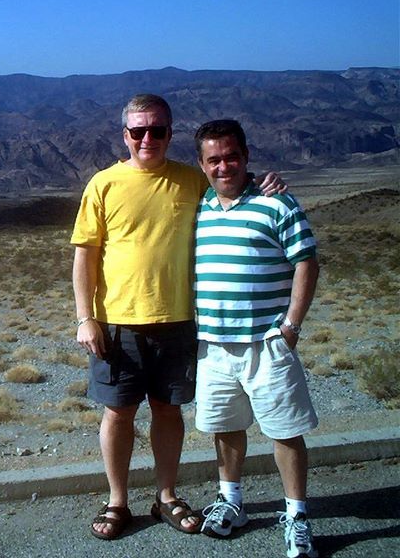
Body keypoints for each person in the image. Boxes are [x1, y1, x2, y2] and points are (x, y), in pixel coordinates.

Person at [71, 95, 284, 541]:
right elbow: (85, 256)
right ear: (125, 135)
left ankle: (166, 495)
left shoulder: (191, 180)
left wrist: (268, 185)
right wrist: (84, 317)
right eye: (138, 131)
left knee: (168, 411)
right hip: (118, 322)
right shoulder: (103, 184)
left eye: (157, 130)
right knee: (119, 413)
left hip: (180, 320)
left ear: (170, 133)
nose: (147, 138)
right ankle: (117, 501)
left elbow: (231, 188)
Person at [193, 119, 319, 558]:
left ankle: (297, 516)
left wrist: (291, 326)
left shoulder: (277, 202)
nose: (223, 166)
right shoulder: (198, 206)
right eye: (214, 159)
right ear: (202, 164)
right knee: (226, 427)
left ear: (246, 156)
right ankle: (231, 502)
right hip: (213, 344)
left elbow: (306, 262)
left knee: (285, 431)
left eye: (231, 156)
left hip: (267, 343)